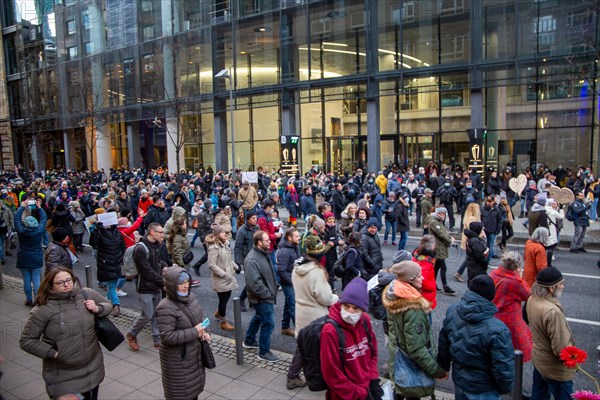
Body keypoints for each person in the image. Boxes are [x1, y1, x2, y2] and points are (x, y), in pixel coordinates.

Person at [19, 266, 113, 400]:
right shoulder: (43, 309)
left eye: (69, 280)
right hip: (64, 376)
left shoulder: (86, 293)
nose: (66, 284)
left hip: (93, 367)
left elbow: (108, 304)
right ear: (50, 286)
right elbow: (27, 340)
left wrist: (97, 308)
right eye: (60, 282)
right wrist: (53, 353)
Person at [437, 275, 515, 400]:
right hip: (484, 388)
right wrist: (505, 388)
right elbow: (502, 365)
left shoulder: (453, 311)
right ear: (491, 295)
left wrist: (443, 366)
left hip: (460, 380)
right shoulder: (498, 329)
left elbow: (444, 342)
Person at [383, 261, 448, 400]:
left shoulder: (395, 294)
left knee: (400, 392)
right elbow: (416, 349)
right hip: (411, 366)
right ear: (411, 280)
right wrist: (436, 370)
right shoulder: (414, 308)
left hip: (399, 360)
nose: (423, 278)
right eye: (419, 276)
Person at [286, 234, 339, 390]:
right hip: (316, 315)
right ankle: (322, 378)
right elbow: (325, 298)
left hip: (301, 311)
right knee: (322, 348)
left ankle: (292, 375)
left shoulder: (297, 267)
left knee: (302, 346)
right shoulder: (316, 272)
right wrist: (335, 297)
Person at [320, 278, 380, 400]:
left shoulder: (365, 321)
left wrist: (373, 377)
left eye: (355, 308)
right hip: (344, 395)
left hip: (365, 387)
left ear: (363, 309)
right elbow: (332, 374)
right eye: (346, 306)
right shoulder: (330, 331)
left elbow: (373, 352)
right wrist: (360, 393)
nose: (350, 311)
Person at [156, 266, 210, 400]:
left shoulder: (191, 297)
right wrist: (195, 331)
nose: (185, 286)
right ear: (171, 285)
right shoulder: (165, 307)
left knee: (193, 392)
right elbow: (167, 336)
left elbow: (200, 317)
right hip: (178, 360)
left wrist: (205, 331)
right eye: (181, 283)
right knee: (182, 393)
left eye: (187, 282)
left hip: (193, 356)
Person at [526, 268, 575, 400]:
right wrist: (575, 357)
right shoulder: (552, 312)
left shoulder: (532, 299)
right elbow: (561, 348)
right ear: (551, 288)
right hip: (555, 369)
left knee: (538, 394)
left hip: (539, 359)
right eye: (561, 284)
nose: (563, 286)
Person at [127, 222, 171, 351]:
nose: (163, 234)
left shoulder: (157, 245)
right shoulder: (140, 248)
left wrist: (165, 266)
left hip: (156, 286)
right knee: (147, 314)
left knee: (156, 314)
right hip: (145, 287)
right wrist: (163, 282)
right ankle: (132, 334)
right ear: (152, 232)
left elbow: (157, 262)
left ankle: (157, 340)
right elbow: (146, 271)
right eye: (160, 232)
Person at [243, 230, 280, 362]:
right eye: (266, 240)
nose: (270, 241)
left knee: (258, 317)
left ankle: (249, 340)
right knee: (268, 323)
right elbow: (255, 283)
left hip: (264, 296)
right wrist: (268, 294)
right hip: (262, 298)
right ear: (259, 243)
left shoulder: (263, 253)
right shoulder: (252, 259)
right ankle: (264, 352)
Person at [489, 252, 532, 364]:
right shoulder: (516, 282)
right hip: (511, 320)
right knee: (511, 352)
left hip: (494, 316)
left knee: (495, 349)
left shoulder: (494, 274)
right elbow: (528, 294)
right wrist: (520, 277)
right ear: (517, 267)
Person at [89, 217, 127, 317]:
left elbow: (123, 246)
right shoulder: (100, 232)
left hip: (113, 262)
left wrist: (122, 258)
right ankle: (113, 304)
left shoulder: (116, 232)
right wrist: (96, 230)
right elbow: (93, 243)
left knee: (111, 285)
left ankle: (111, 304)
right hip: (107, 263)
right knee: (111, 285)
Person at [206, 223, 239, 331]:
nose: (225, 234)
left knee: (226, 297)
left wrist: (236, 267)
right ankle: (223, 322)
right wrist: (223, 274)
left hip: (228, 276)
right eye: (222, 232)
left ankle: (219, 312)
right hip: (221, 278)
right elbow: (211, 264)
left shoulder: (225, 244)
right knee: (223, 300)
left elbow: (228, 260)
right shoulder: (213, 248)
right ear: (216, 235)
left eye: (224, 232)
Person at [14, 201, 48, 306]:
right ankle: (37, 300)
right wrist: (39, 208)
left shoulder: (21, 231)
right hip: (36, 257)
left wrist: (22, 207)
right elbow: (44, 219)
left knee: (26, 280)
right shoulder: (39, 230)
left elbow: (16, 220)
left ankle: (29, 300)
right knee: (36, 279)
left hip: (23, 257)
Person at [427, 207, 456, 296]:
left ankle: (433, 284)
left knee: (436, 268)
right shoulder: (434, 222)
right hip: (437, 248)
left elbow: (444, 232)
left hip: (440, 247)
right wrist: (449, 241)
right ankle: (445, 286)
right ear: (439, 213)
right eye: (443, 214)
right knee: (443, 268)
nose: (444, 216)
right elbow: (441, 234)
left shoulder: (438, 221)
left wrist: (450, 237)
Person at [277, 228, 301, 337]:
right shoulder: (284, 251)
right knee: (293, 307)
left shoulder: (294, 247)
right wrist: (292, 281)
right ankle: (301, 333)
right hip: (288, 283)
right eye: (296, 236)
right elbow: (281, 271)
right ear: (290, 238)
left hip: (293, 281)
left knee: (288, 305)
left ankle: (285, 327)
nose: (299, 238)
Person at [234, 211, 259, 311]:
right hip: (246, 258)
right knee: (250, 281)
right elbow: (238, 247)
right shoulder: (242, 230)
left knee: (255, 280)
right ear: (248, 219)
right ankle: (241, 299)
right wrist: (238, 262)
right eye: (253, 218)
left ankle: (252, 301)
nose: (255, 220)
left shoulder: (256, 228)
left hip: (256, 256)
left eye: (255, 218)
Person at [454, 202, 481, 281]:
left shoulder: (468, 217)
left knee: (470, 258)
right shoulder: (472, 219)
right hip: (471, 241)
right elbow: (473, 231)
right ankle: (459, 273)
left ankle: (460, 273)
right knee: (470, 258)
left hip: (468, 240)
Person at [412, 235, 438, 312]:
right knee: (426, 321)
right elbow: (423, 282)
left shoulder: (417, 255)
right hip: (425, 295)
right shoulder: (427, 262)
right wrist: (433, 287)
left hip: (419, 294)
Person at [481, 195, 502, 260]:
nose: (489, 202)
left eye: (490, 201)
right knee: (483, 246)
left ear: (493, 202)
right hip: (483, 230)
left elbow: (499, 220)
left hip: (492, 231)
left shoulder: (497, 210)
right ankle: (483, 259)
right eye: (488, 201)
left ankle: (487, 260)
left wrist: (498, 230)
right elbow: (480, 219)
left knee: (490, 245)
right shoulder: (482, 209)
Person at [545, 198, 563, 266]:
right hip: (552, 229)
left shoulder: (544, 209)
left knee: (546, 244)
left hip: (545, 228)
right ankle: (548, 263)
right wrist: (561, 209)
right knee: (551, 245)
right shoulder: (553, 212)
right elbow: (561, 217)